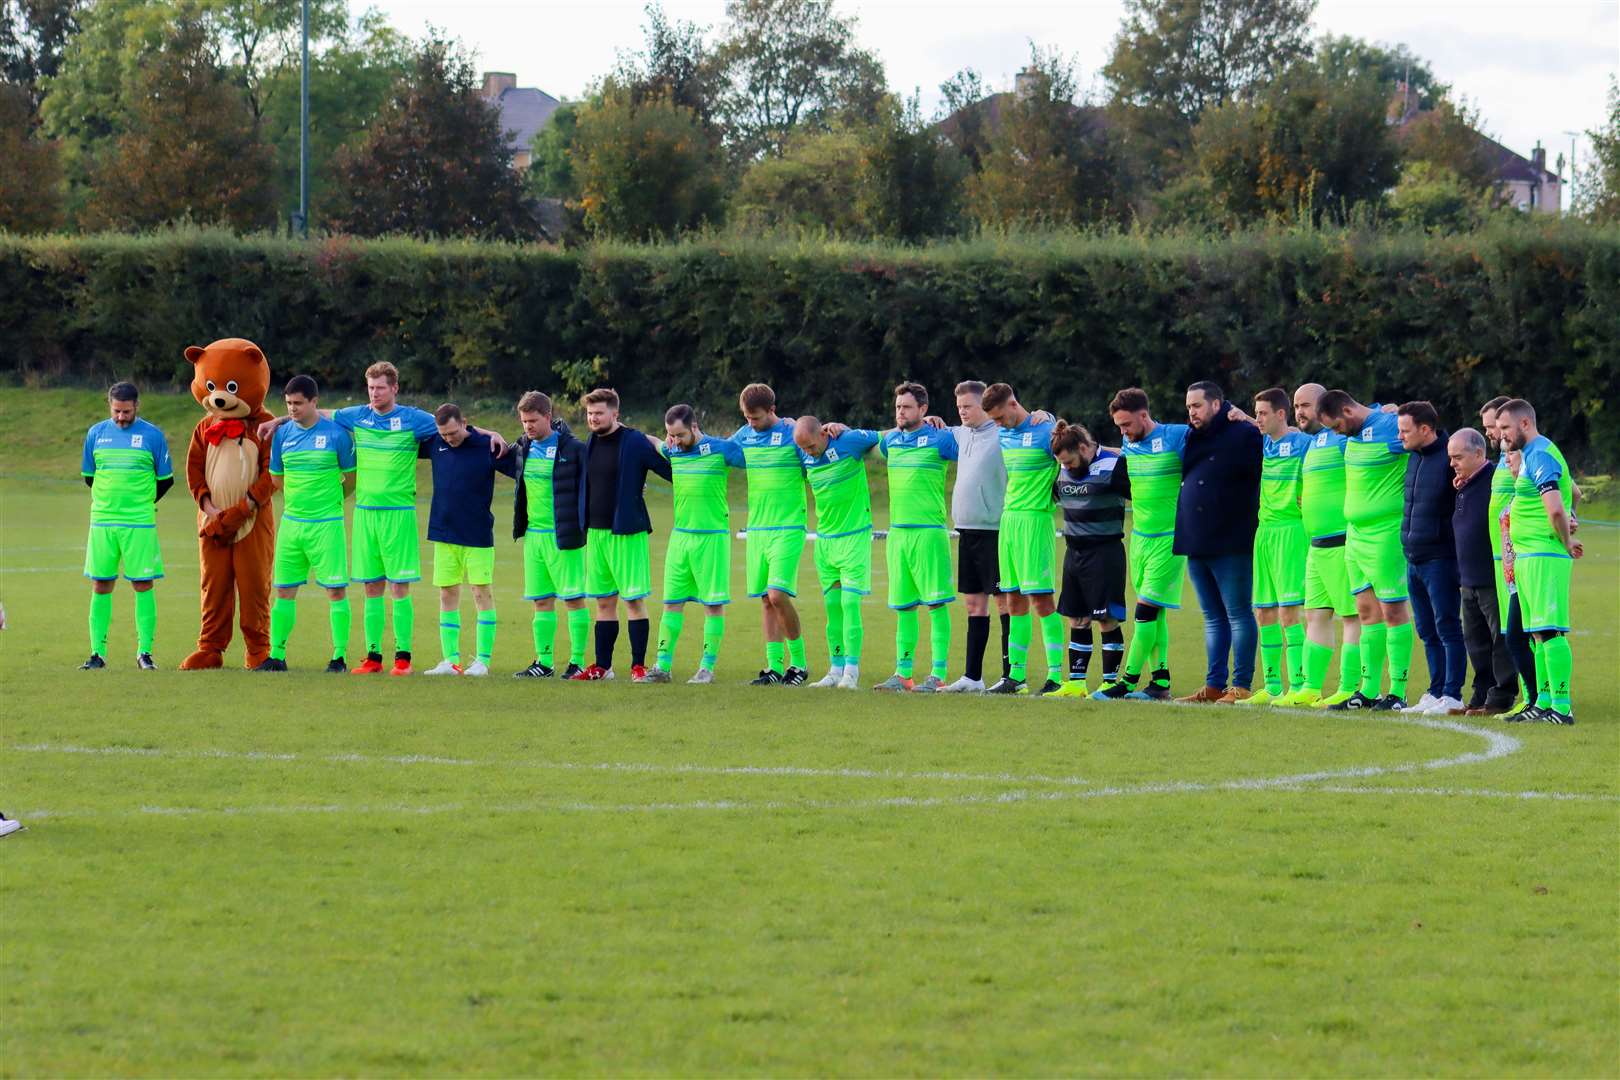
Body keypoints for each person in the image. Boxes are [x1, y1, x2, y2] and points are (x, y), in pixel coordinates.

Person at [1317, 390, 1415, 711]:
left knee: (1393, 611)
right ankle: (1368, 690)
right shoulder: (1352, 434)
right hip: (1355, 537)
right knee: (1365, 612)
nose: (1335, 434)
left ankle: (1398, 691)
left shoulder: (1390, 426)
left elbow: (1426, 443)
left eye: (1335, 426)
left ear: (1347, 409)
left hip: (1386, 534)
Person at [570, 388, 673, 682]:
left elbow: (670, 471)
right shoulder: (590, 441)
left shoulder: (634, 441)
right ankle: (603, 667)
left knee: (632, 601)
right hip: (596, 534)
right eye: (590, 414)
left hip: (627, 533)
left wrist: (659, 443)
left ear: (615, 413)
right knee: (603, 602)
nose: (593, 418)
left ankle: (638, 666)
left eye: (599, 413)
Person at [1172, 381, 1262, 704]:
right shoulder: (1190, 436)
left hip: (1231, 538)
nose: (1191, 413)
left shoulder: (1244, 433)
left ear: (1216, 404)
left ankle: (1240, 685)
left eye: (1196, 406)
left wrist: (1253, 420)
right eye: (1188, 407)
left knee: (1237, 612)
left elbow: (1280, 437)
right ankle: (1213, 685)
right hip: (1195, 539)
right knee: (1212, 615)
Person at [1092, 388, 1184, 701]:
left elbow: (1215, 441)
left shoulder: (1176, 437)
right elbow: (1112, 452)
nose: (1123, 431)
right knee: (1154, 614)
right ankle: (1160, 683)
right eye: (1119, 426)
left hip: (1170, 540)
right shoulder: (1130, 446)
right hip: (1140, 539)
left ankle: (1127, 682)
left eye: (1127, 424)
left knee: (1144, 611)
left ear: (1144, 416)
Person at [258, 375, 355, 673]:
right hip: (292, 524)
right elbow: (276, 477)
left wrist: (328, 500)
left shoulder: (337, 434)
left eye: (298, 403)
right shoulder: (283, 435)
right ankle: (277, 656)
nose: (292, 409)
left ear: (314, 402)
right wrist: (300, 499)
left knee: (335, 591)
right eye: (288, 403)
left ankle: (338, 657)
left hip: (327, 524)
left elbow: (351, 477)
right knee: (284, 590)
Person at [418, 404, 518, 676]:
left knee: (480, 593)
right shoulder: (435, 442)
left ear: (465, 423)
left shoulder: (488, 445)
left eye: (452, 432)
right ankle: (450, 660)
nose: (448, 438)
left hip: (477, 534)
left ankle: (482, 662)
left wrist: (494, 434)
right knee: (447, 593)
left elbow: (522, 469)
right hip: (443, 532)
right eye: (444, 434)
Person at [80, 382, 174, 670]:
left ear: (137, 407)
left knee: (143, 584)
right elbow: (89, 477)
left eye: (127, 411)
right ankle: (98, 654)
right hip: (103, 523)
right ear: (109, 406)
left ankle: (144, 653)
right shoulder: (96, 434)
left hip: (139, 524)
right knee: (101, 584)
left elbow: (166, 480)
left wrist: (140, 502)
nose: (121, 417)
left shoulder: (153, 436)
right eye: (116, 411)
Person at [1499, 399, 1581, 724]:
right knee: (1535, 633)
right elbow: (1573, 493)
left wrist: (1567, 538)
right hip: (1529, 557)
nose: (1502, 436)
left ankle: (1562, 707)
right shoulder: (1532, 456)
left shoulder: (1541, 455)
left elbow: (1557, 508)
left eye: (1506, 428)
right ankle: (1543, 702)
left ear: (1524, 424)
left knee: (1549, 631)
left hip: (1545, 556)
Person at [875, 382, 959, 692]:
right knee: (905, 607)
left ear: (923, 410)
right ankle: (903, 674)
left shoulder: (940, 439)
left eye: (907, 407)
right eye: (898, 407)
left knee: (936, 604)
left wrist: (946, 424)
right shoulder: (891, 441)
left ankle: (938, 675)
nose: (900, 412)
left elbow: (974, 448)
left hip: (929, 533)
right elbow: (865, 442)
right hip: (898, 535)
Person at [980, 383, 1064, 695]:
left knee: (1041, 599)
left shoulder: (1046, 431)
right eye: (994, 421)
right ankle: (1016, 677)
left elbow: (1074, 450)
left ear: (1014, 403)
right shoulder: (1002, 432)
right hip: (1009, 521)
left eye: (1001, 417)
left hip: (1035, 520)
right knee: (1012, 599)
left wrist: (1051, 418)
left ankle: (1056, 676)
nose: (998, 425)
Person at [653, 404, 746, 684]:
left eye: (680, 435)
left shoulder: (722, 449)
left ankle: (706, 668)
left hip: (712, 538)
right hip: (680, 537)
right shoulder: (673, 449)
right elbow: (655, 443)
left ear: (694, 427)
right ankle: (661, 667)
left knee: (713, 605)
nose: (676, 441)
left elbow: (755, 454)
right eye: (672, 435)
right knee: (671, 602)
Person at [793, 416, 880, 688]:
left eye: (810, 446)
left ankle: (851, 672)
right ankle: (835, 668)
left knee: (850, 604)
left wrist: (845, 427)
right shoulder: (803, 452)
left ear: (822, 434)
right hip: (825, 540)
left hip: (854, 537)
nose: (808, 452)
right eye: (803, 448)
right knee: (832, 608)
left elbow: (883, 435)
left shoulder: (849, 442)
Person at [1290, 383, 1362, 709]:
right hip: (1315, 546)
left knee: (1351, 616)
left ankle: (1349, 687)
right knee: (1314, 615)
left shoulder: (1344, 438)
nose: (1300, 412)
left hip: (1341, 543)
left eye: (1305, 405)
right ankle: (1310, 687)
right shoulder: (1312, 443)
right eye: (1296, 406)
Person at [733, 383, 811, 686]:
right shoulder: (744, 436)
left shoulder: (792, 434)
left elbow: (818, 450)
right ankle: (775, 667)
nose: (751, 423)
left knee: (778, 594)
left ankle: (800, 664)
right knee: (766, 600)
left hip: (789, 527)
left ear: (772, 410)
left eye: (756, 417)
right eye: (747, 418)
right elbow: (719, 453)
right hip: (758, 528)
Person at [1046, 421, 1130, 698]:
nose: (1066, 468)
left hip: (1105, 553)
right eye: (1063, 464)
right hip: (1074, 553)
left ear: (1083, 447)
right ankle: (1076, 682)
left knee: (1106, 619)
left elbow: (1141, 492)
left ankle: (1109, 682)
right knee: (1076, 618)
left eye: (1070, 461)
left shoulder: (1114, 465)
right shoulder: (1062, 466)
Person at [511, 391, 589, 679]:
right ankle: (544, 662)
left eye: (533, 420)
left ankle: (577, 661)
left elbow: (597, 478)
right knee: (541, 600)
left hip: (564, 536)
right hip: (534, 537)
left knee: (573, 598)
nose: (528, 427)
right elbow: (496, 458)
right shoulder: (522, 447)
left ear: (548, 416)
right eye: (523, 421)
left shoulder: (573, 448)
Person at [941, 380, 1011, 693]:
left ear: (983, 405)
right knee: (973, 604)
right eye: (959, 408)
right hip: (966, 530)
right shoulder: (959, 433)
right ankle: (972, 676)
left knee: (1005, 603)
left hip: (995, 530)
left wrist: (1042, 415)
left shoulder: (1002, 432)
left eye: (968, 406)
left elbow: (1041, 422)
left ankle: (1012, 674)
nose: (963, 413)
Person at [1244, 388, 1312, 706]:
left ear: (1280, 414)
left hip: (1291, 531)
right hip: (1265, 532)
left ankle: (1299, 686)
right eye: (1255, 413)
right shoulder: (1265, 443)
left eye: (1261, 413)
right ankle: (1272, 687)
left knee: (1288, 612)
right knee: (1264, 612)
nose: (1257, 418)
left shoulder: (1302, 443)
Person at [1397, 401, 1465, 714]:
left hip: (1441, 559)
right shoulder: (1414, 457)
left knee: (1447, 625)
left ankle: (1453, 694)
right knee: (1426, 630)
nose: (1400, 437)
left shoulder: (1450, 459)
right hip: (1413, 559)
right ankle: (1435, 690)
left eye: (1405, 430)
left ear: (1425, 429)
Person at [1448, 427, 1518, 715]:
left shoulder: (1494, 480)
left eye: (1458, 457)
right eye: (1450, 457)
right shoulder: (1464, 483)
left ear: (1479, 453)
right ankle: (1480, 695)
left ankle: (1501, 697)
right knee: (1475, 641)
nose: (1452, 463)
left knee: (1498, 638)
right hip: (1467, 578)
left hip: (1491, 576)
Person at [1486, 402, 1537, 717]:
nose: (1495, 434)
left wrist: (1569, 519)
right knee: (1516, 635)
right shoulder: (1510, 468)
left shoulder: (1535, 461)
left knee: (1524, 635)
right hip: (1508, 568)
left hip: (1530, 565)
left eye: (1498, 427)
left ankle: (1542, 699)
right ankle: (1536, 698)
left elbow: (1565, 490)